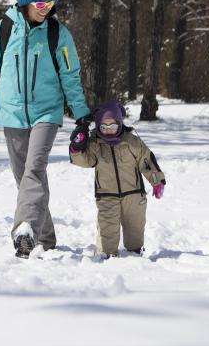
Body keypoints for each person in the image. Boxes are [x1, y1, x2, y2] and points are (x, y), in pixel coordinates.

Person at [0, 0, 91, 258]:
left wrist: (81, 113)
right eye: (40, 5)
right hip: (10, 113)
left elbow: (70, 76)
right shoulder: (2, 30)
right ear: (25, 3)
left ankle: (25, 229)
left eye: (49, 5)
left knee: (34, 170)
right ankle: (45, 237)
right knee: (24, 178)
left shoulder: (58, 34)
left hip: (46, 112)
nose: (45, 10)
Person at [69, 99, 166, 257]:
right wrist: (76, 147)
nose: (108, 130)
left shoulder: (131, 142)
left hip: (134, 196)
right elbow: (84, 161)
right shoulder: (95, 145)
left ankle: (135, 252)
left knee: (135, 227)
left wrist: (157, 181)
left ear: (120, 124)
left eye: (112, 126)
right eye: (103, 126)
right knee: (107, 230)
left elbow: (147, 161)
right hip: (107, 197)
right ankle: (106, 255)